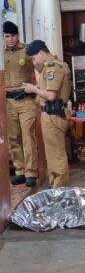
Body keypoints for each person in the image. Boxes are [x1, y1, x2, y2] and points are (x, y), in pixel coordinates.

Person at [23, 40, 71, 188]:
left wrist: (34, 89)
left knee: (57, 157)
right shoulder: (49, 67)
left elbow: (50, 96)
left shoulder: (53, 67)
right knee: (52, 156)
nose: (33, 62)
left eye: (34, 58)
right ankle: (55, 188)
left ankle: (60, 190)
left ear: (41, 54)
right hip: (51, 115)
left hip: (53, 116)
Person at [3, 21, 38, 187]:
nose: (10, 39)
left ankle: (31, 173)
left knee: (27, 137)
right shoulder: (2, 54)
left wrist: (38, 91)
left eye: (13, 36)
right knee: (14, 138)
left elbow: (39, 68)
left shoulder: (27, 51)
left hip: (26, 100)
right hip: (8, 102)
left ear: (18, 35)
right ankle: (20, 171)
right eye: (7, 36)